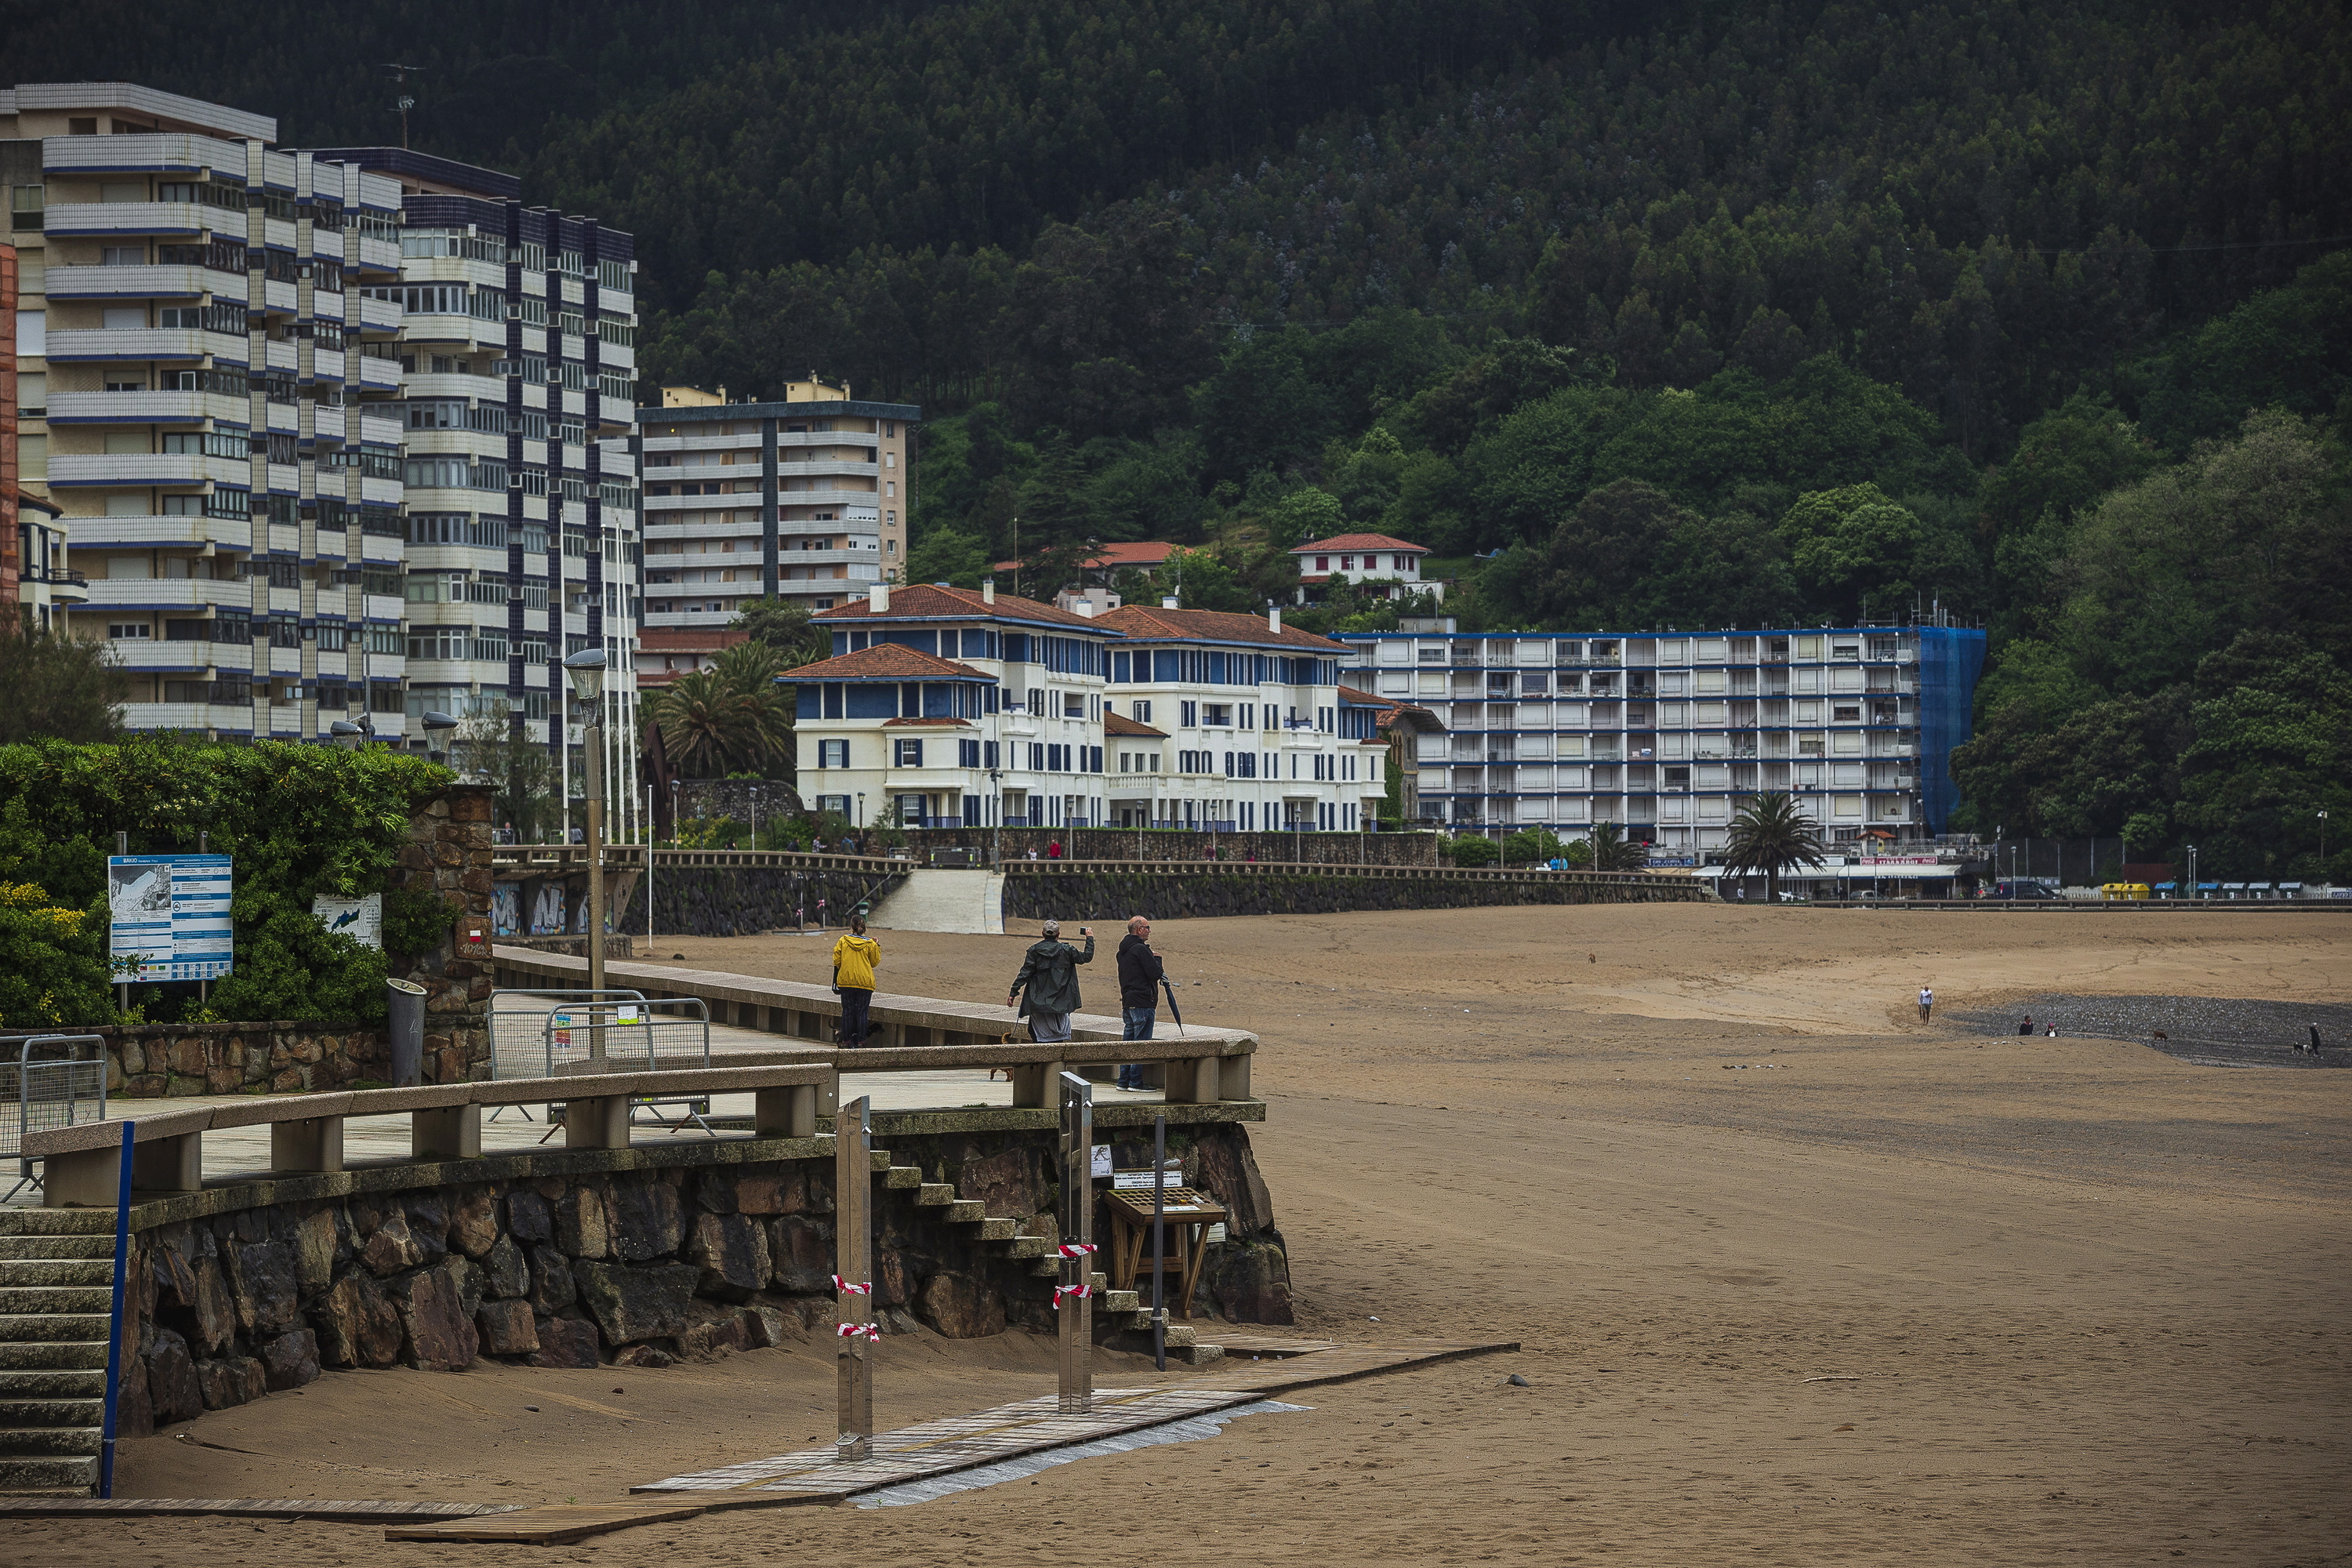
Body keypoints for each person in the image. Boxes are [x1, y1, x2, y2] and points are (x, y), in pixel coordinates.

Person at [1008, 920, 1093, 1043]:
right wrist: (1089, 938)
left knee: (1036, 1035)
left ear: (1042, 933)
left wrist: (1013, 993)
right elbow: (1086, 957)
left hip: (1038, 1002)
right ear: (1058, 935)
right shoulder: (1067, 950)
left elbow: (1025, 973)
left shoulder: (1034, 951)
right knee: (1058, 1037)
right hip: (1061, 1002)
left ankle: (1041, 1061)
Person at [1115, 914, 1164, 1089]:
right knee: (1141, 1044)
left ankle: (1123, 1081)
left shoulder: (1122, 952)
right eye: (1147, 927)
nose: (1149, 931)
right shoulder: (1141, 950)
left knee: (1128, 1043)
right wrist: (1157, 958)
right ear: (1139, 930)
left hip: (1128, 1001)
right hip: (1143, 1001)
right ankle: (1135, 1082)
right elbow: (1155, 973)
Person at [831, 913, 880, 1047]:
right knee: (862, 1012)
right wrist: (876, 946)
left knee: (847, 1011)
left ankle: (845, 1041)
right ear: (864, 928)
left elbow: (836, 960)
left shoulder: (843, 940)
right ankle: (861, 1041)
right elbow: (874, 962)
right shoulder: (870, 943)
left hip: (846, 981)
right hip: (865, 982)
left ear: (851, 927)